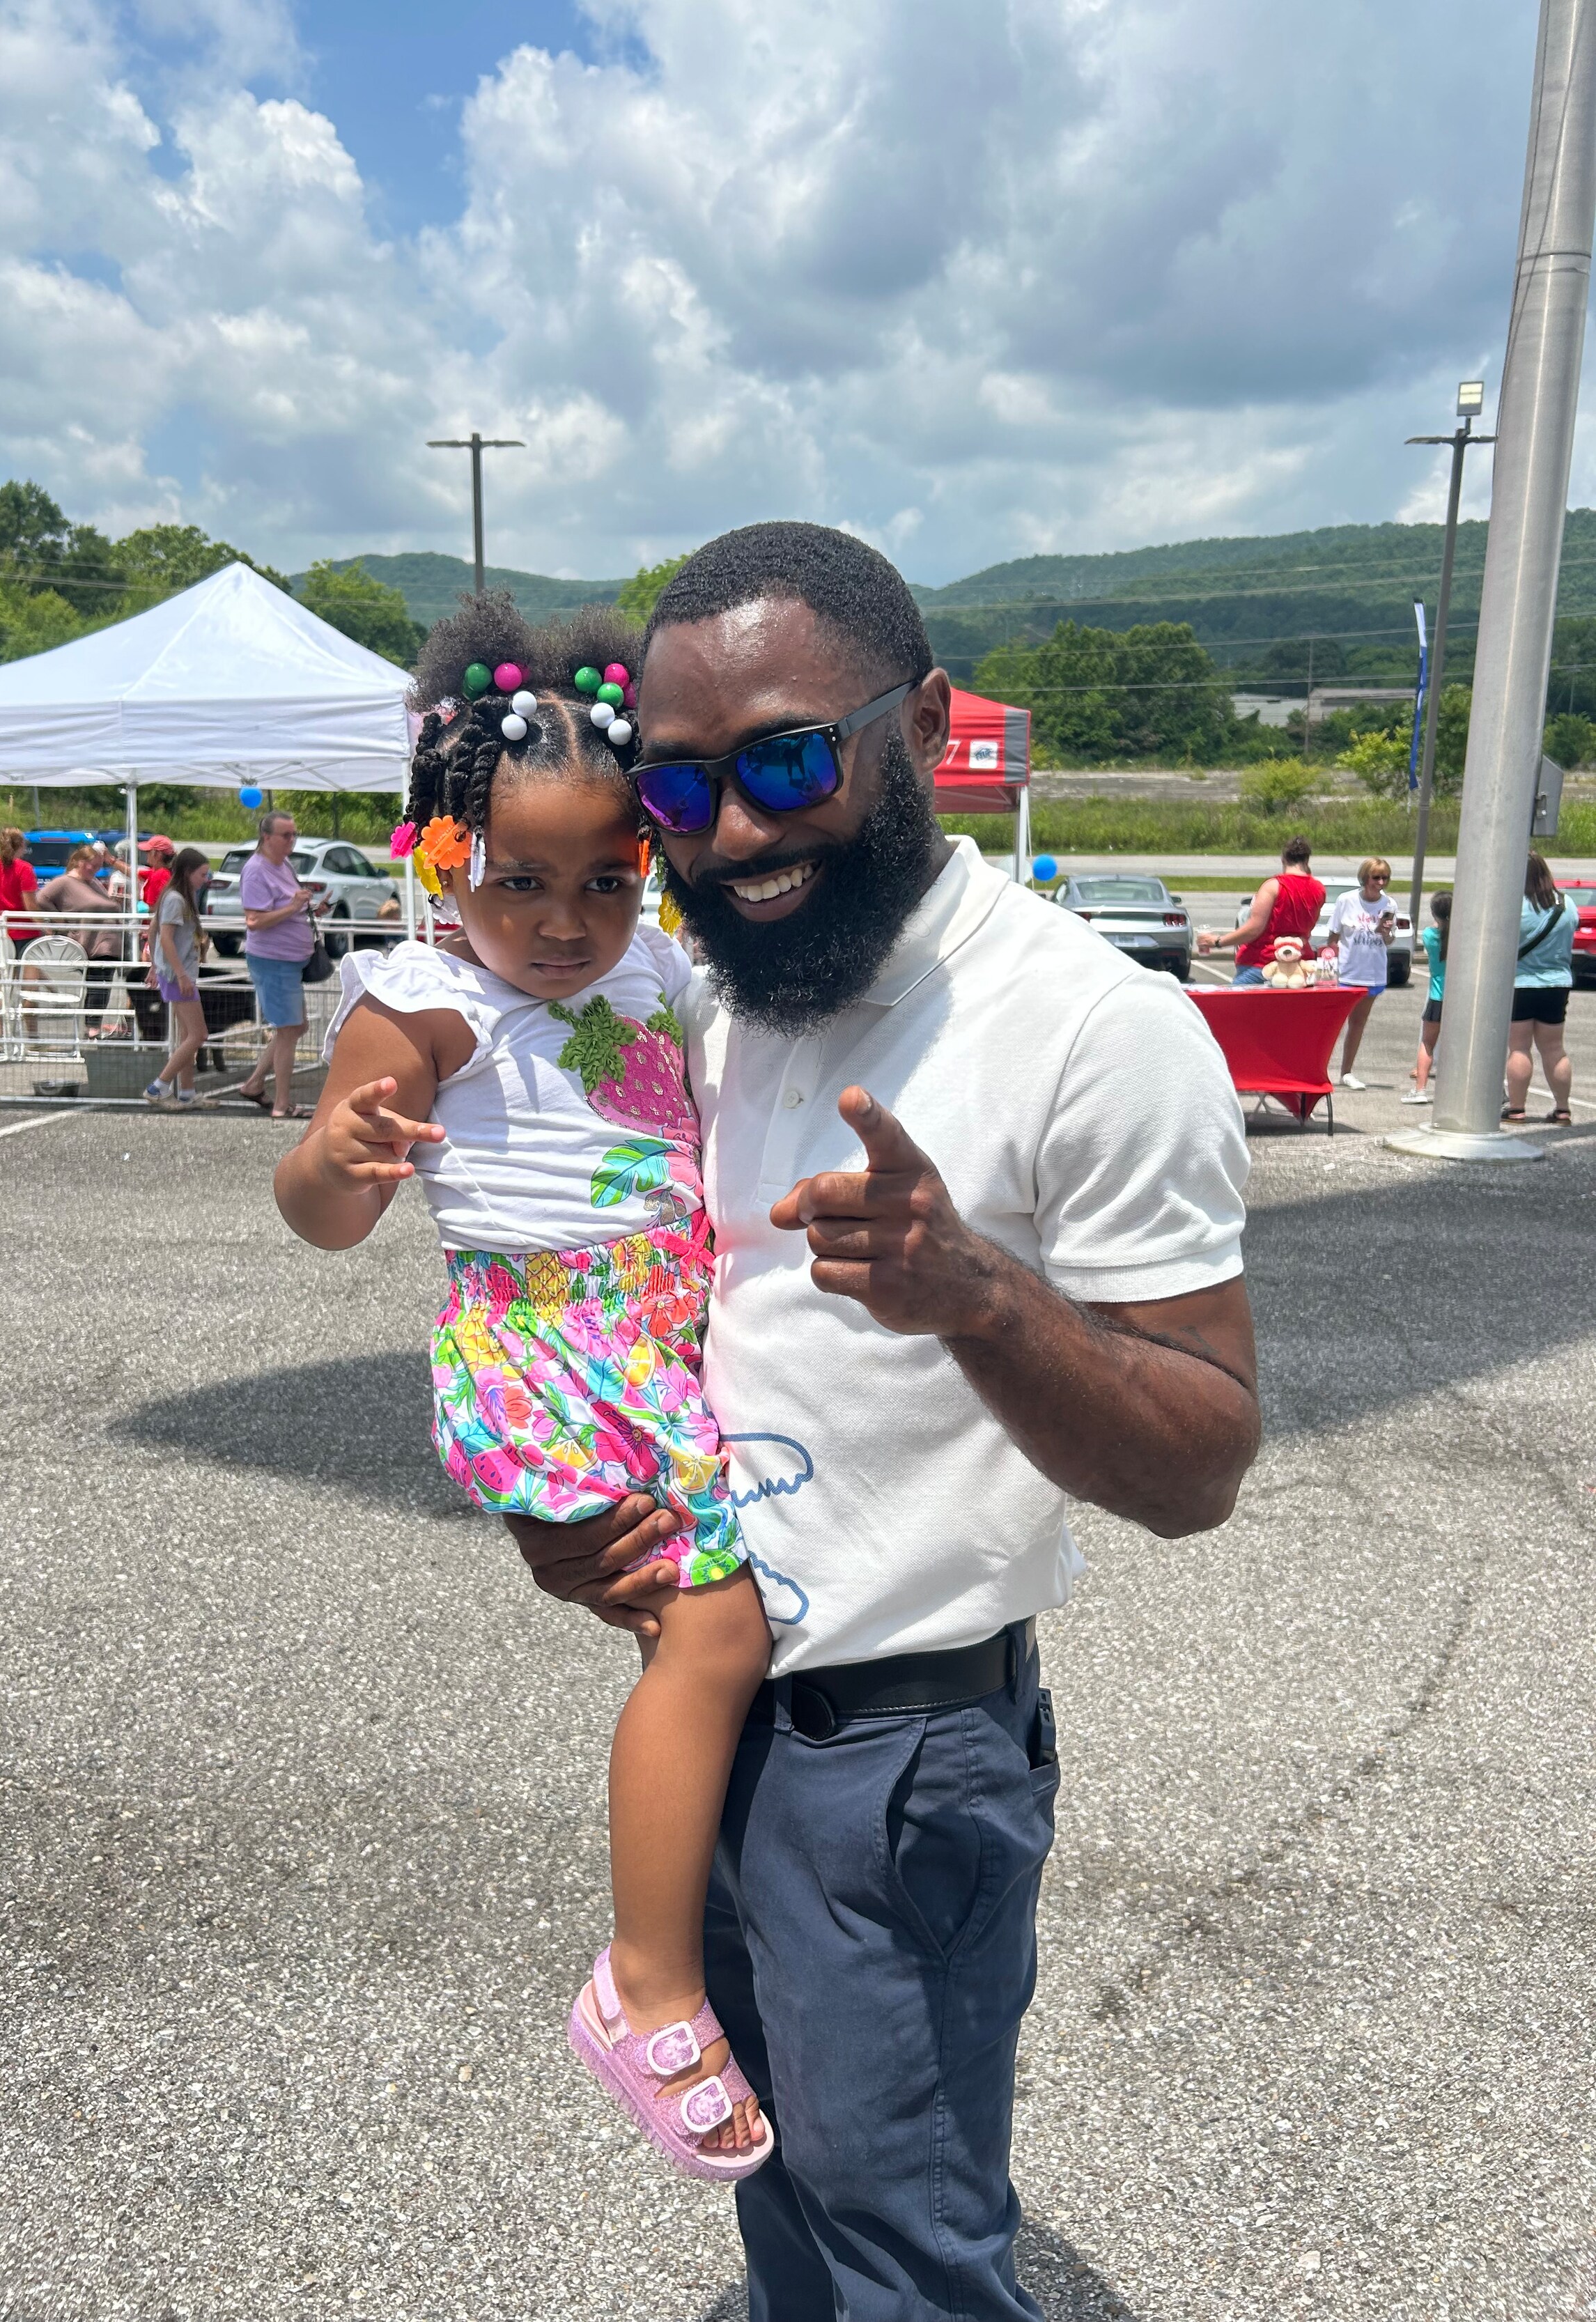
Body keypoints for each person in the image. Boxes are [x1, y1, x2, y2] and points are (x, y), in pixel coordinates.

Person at [505, 523, 1260, 2318]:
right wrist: (571, 1504)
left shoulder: (1096, 1028)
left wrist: (975, 1295)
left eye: (786, 761)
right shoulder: (734, 993)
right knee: (783, 2193)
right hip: (720, 1710)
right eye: (678, 793)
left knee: (907, 2247)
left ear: (917, 722)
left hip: (905, 1763)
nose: (736, 834)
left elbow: (1205, 1457)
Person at [274, 602, 775, 2178]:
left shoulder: (663, 977)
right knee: (715, 1629)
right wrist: (335, 1158)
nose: (565, 921)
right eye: (522, 880)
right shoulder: (425, 996)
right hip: (549, 1348)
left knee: (716, 1634)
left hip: (663, 1331)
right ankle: (648, 1983)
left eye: (607, 881)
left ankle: (710, 1919)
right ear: (441, 857)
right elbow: (326, 1212)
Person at [233, 811, 325, 1120]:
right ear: (267, 837)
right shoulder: (256, 871)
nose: (292, 841)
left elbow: (287, 907)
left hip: (290, 959)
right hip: (273, 960)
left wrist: (310, 908)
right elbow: (254, 921)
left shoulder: (284, 864)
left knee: (296, 1027)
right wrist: (293, 907)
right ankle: (281, 1104)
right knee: (288, 1030)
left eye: (294, 835)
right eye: (286, 835)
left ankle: (255, 1084)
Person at [1197, 833, 1324, 984]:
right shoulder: (1319, 889)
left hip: (1262, 964)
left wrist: (1218, 941)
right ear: (1307, 860)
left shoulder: (1273, 886)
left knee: (1234, 1007)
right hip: (1300, 965)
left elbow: (1254, 929)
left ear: (1284, 859)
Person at [1504, 851, 1574, 1124]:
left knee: (1519, 1048)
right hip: (1557, 983)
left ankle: (1517, 1109)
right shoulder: (1565, 903)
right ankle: (1562, 1109)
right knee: (1555, 1048)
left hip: (1520, 983)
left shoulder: (1516, 907)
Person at [144, 847, 214, 1106]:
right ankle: (158, 1087)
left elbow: (154, 931)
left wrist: (155, 964)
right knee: (198, 1034)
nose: (205, 879)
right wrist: (179, 973)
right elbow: (165, 937)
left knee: (188, 1035)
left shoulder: (179, 896)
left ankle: (187, 1092)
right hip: (178, 975)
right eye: (202, 874)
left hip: (175, 973)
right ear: (188, 872)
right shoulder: (176, 899)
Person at [1319, 855, 1395, 1088]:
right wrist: (1328, 969)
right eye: (1376, 878)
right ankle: (1319, 1070)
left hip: (1373, 971)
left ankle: (1347, 1072)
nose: (1380, 883)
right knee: (1331, 1024)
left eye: (1385, 878)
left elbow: (1389, 941)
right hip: (1346, 972)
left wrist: (1386, 932)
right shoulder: (1346, 900)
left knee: (1358, 1023)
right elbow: (1333, 937)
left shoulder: (1389, 904)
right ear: (1365, 878)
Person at [36, 841, 124, 1035]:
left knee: (103, 983)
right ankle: (91, 1026)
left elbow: (108, 905)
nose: (95, 869)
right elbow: (42, 899)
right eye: (93, 865)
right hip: (91, 941)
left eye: (99, 866)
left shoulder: (92, 883)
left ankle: (95, 1024)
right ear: (80, 862)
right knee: (97, 983)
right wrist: (62, 924)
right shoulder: (64, 882)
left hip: (109, 941)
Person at [1402, 889, 1452, 1104]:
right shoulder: (1463, 937)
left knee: (1428, 1044)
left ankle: (1420, 1089)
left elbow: (1435, 930)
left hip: (1437, 996)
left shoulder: (1431, 936)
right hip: (1460, 998)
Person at [0, 826, 40, 950]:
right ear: (21, 846)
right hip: (23, 930)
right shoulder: (24, 869)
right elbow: (30, 906)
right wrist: (45, 926)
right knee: (31, 967)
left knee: (5, 967)